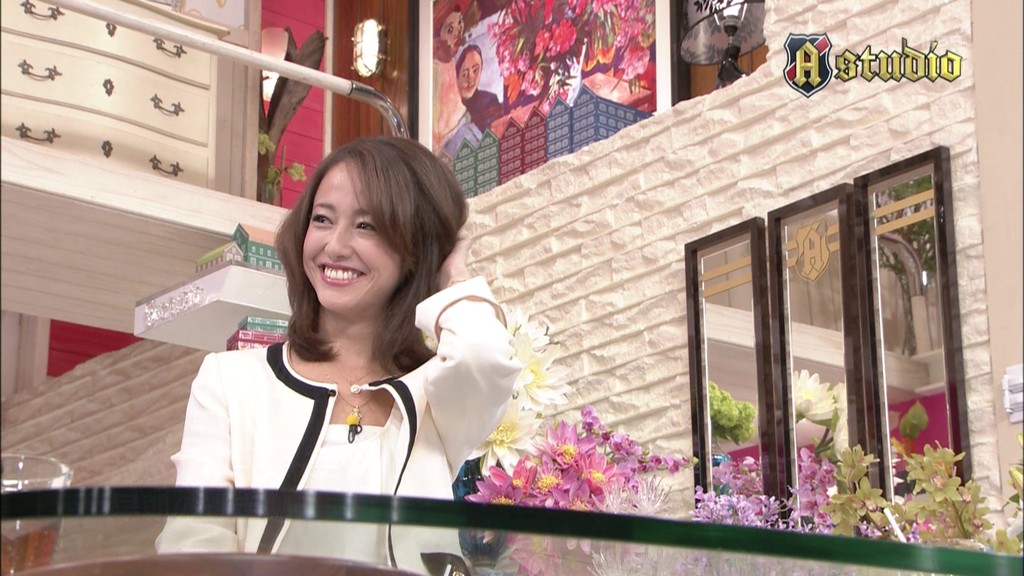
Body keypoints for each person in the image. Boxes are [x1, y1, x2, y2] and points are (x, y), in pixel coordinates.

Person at [156, 137, 522, 570]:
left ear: (414, 248)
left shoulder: (436, 393)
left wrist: (453, 274)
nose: (334, 245)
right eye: (322, 219)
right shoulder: (230, 380)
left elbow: (484, 356)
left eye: (366, 225)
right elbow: (194, 546)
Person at [456, 44, 502, 135]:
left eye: (475, 71)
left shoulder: (489, 101)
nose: (470, 79)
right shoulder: (448, 104)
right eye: (464, 74)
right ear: (457, 74)